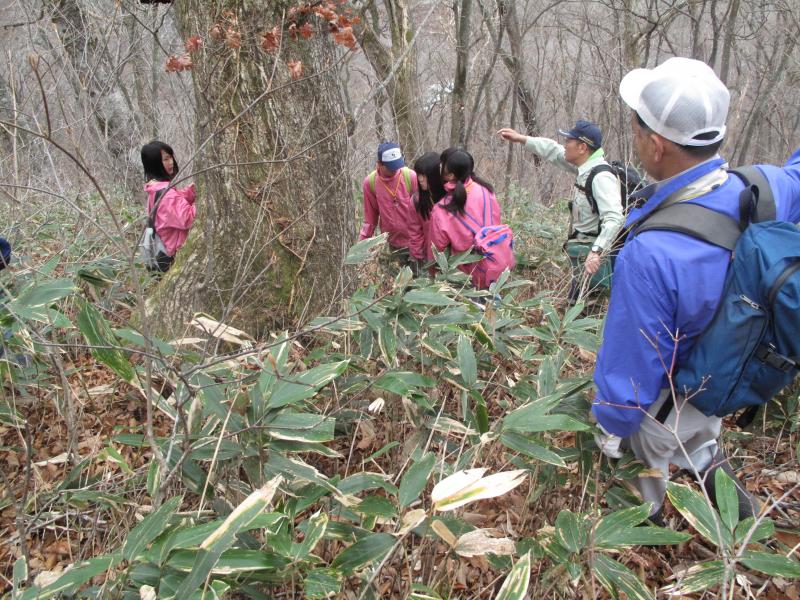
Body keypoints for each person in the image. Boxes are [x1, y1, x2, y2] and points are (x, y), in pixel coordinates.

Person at [591, 57, 800, 524]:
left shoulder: (654, 253)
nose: (635, 134)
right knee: (702, 447)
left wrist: (611, 425)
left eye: (637, 127)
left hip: (664, 404)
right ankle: (754, 534)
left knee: (648, 482)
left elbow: (634, 361)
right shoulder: (764, 188)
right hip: (724, 378)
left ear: (657, 145)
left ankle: (651, 544)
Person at [497, 120, 624, 304]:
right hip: (581, 256)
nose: (565, 145)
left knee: (586, 313)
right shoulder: (585, 168)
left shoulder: (601, 177)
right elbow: (554, 151)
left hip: (593, 262)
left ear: (582, 147)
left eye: (569, 142)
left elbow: (614, 218)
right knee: (575, 306)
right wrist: (521, 139)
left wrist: (596, 251)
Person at [429, 149, 503, 289]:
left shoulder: (442, 209)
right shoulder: (486, 190)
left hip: (465, 276)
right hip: (494, 266)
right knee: (491, 306)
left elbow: (436, 250)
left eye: (442, 165)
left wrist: (433, 274)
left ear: (450, 175)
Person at [359, 142, 423, 270]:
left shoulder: (410, 176)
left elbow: (423, 211)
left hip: (416, 242)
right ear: (379, 164)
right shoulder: (370, 183)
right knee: (400, 286)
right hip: (393, 245)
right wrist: (362, 246)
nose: (395, 170)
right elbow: (370, 220)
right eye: (390, 167)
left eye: (397, 165)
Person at [141, 140, 196, 271]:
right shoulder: (166, 194)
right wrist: (206, 201)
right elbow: (188, 218)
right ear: (155, 164)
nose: (171, 162)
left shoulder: (155, 189)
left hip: (165, 249)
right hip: (175, 254)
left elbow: (172, 207)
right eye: (166, 159)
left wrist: (190, 192)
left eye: (171, 157)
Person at [410, 152, 447, 264]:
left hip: (453, 259)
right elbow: (415, 231)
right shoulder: (416, 200)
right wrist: (417, 258)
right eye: (418, 174)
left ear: (435, 175)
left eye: (424, 175)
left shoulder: (451, 197)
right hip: (429, 259)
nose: (420, 179)